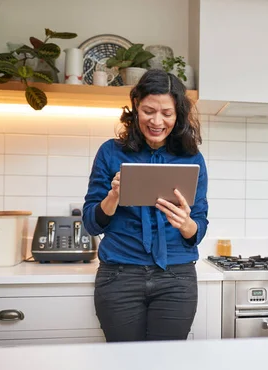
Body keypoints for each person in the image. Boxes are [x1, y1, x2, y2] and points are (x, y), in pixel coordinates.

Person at [82, 69, 208, 342]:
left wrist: (187, 224)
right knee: (123, 365)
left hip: (176, 278)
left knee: (168, 366)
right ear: (136, 106)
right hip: (119, 276)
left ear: (178, 115)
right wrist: (113, 197)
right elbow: (91, 224)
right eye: (149, 111)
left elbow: (199, 227)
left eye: (167, 113)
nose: (157, 121)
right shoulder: (110, 152)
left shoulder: (191, 158)